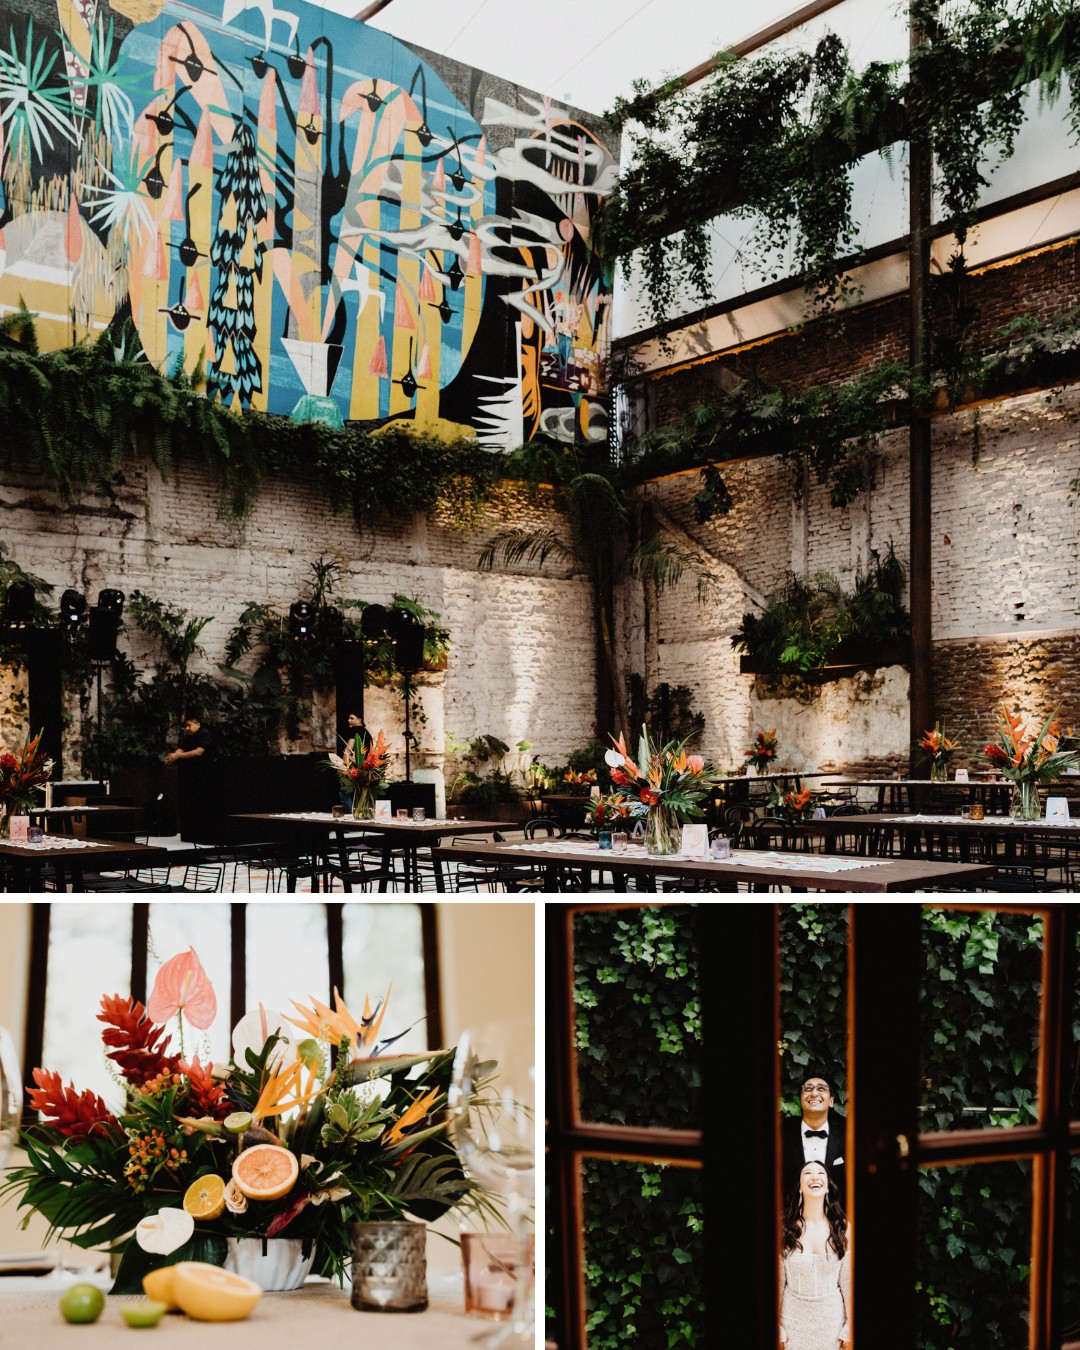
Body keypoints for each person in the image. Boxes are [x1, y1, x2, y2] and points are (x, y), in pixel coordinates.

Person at [779, 1161, 850, 1350]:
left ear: (827, 1187)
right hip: (792, 1322)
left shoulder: (843, 1228)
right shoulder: (784, 1228)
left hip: (832, 1323)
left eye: (821, 1173)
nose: (815, 1176)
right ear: (800, 1188)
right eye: (807, 1173)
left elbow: (848, 1282)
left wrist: (849, 1327)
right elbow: (776, 1282)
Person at [782, 1071, 846, 1203]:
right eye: (808, 1089)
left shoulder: (846, 1138)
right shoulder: (781, 1137)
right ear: (801, 1099)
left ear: (831, 1101)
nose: (814, 1094)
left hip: (836, 1218)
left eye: (821, 1089)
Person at [164, 716, 213, 841]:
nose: (187, 728)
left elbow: (198, 752)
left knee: (201, 803)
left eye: (189, 725)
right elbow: (182, 748)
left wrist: (178, 756)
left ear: (197, 724)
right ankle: (188, 833)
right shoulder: (188, 736)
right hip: (188, 775)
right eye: (186, 726)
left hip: (203, 774)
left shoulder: (205, 734)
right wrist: (174, 755)